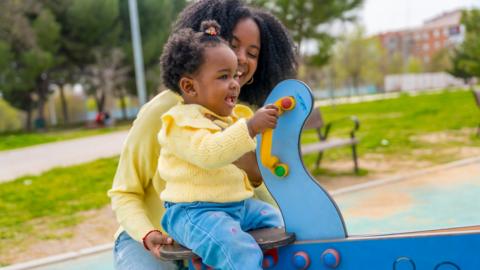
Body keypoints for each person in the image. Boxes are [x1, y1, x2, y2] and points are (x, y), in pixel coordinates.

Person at [108, 1, 297, 269]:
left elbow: (255, 192)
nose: (242, 58)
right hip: (153, 238)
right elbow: (124, 192)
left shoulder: (241, 116)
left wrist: (256, 177)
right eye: (232, 44)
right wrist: (147, 233)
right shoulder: (167, 113)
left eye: (253, 53)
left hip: (215, 232)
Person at [158, 20, 283, 270]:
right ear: (189, 87)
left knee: (281, 221)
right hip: (194, 213)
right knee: (237, 249)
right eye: (224, 77)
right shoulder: (180, 123)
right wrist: (250, 127)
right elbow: (209, 153)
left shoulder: (233, 117)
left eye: (235, 75)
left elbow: (252, 163)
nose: (235, 83)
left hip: (238, 206)